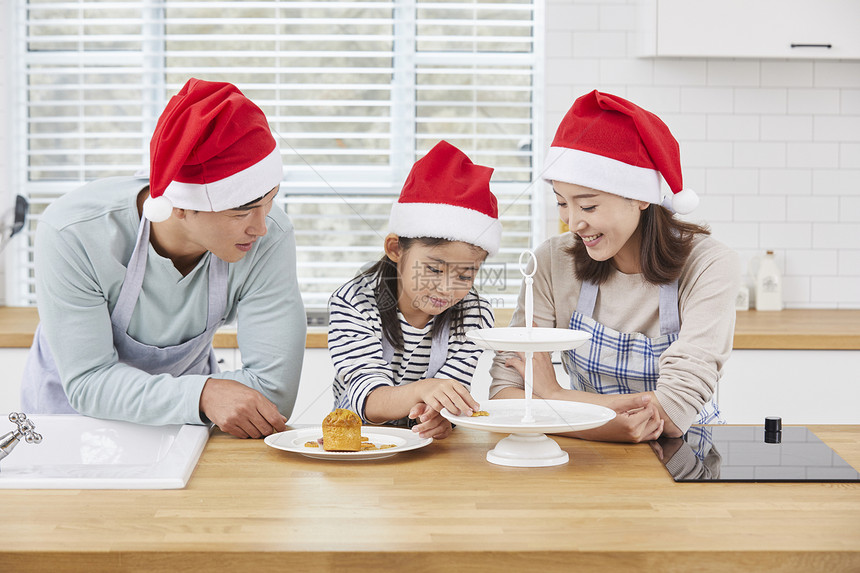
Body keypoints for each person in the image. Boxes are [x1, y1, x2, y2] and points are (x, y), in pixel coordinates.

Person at [20, 78, 306, 439]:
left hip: (184, 429)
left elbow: (274, 391)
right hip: (67, 427)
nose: (262, 228)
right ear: (182, 206)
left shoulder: (270, 234)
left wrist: (200, 399)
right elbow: (89, 382)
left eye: (271, 200)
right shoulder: (73, 232)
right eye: (242, 212)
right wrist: (202, 393)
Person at [489, 90, 739, 443]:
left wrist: (556, 396)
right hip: (585, 461)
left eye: (588, 207)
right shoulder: (551, 261)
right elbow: (505, 394)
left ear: (639, 197)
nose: (573, 223)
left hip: (686, 456)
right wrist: (609, 424)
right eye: (562, 203)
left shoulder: (709, 264)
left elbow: (671, 411)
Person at [328, 141, 498, 439]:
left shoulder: (474, 314)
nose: (447, 288)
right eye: (434, 269)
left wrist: (442, 416)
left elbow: (449, 396)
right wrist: (425, 390)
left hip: (427, 450)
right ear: (395, 249)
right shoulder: (353, 302)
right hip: (361, 443)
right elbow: (367, 399)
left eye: (465, 274)